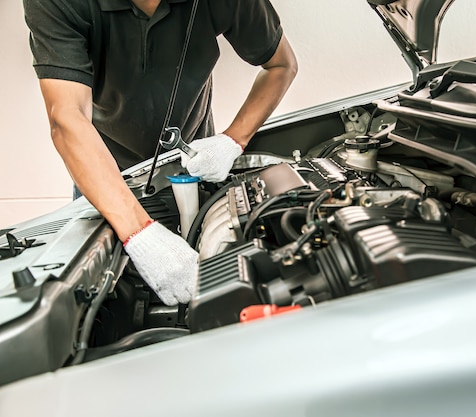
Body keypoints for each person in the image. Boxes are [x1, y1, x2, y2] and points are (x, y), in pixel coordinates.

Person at [23, 0, 298, 306]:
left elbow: (281, 64)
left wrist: (234, 140)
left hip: (192, 170)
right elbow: (67, 117)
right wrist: (140, 234)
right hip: (106, 179)